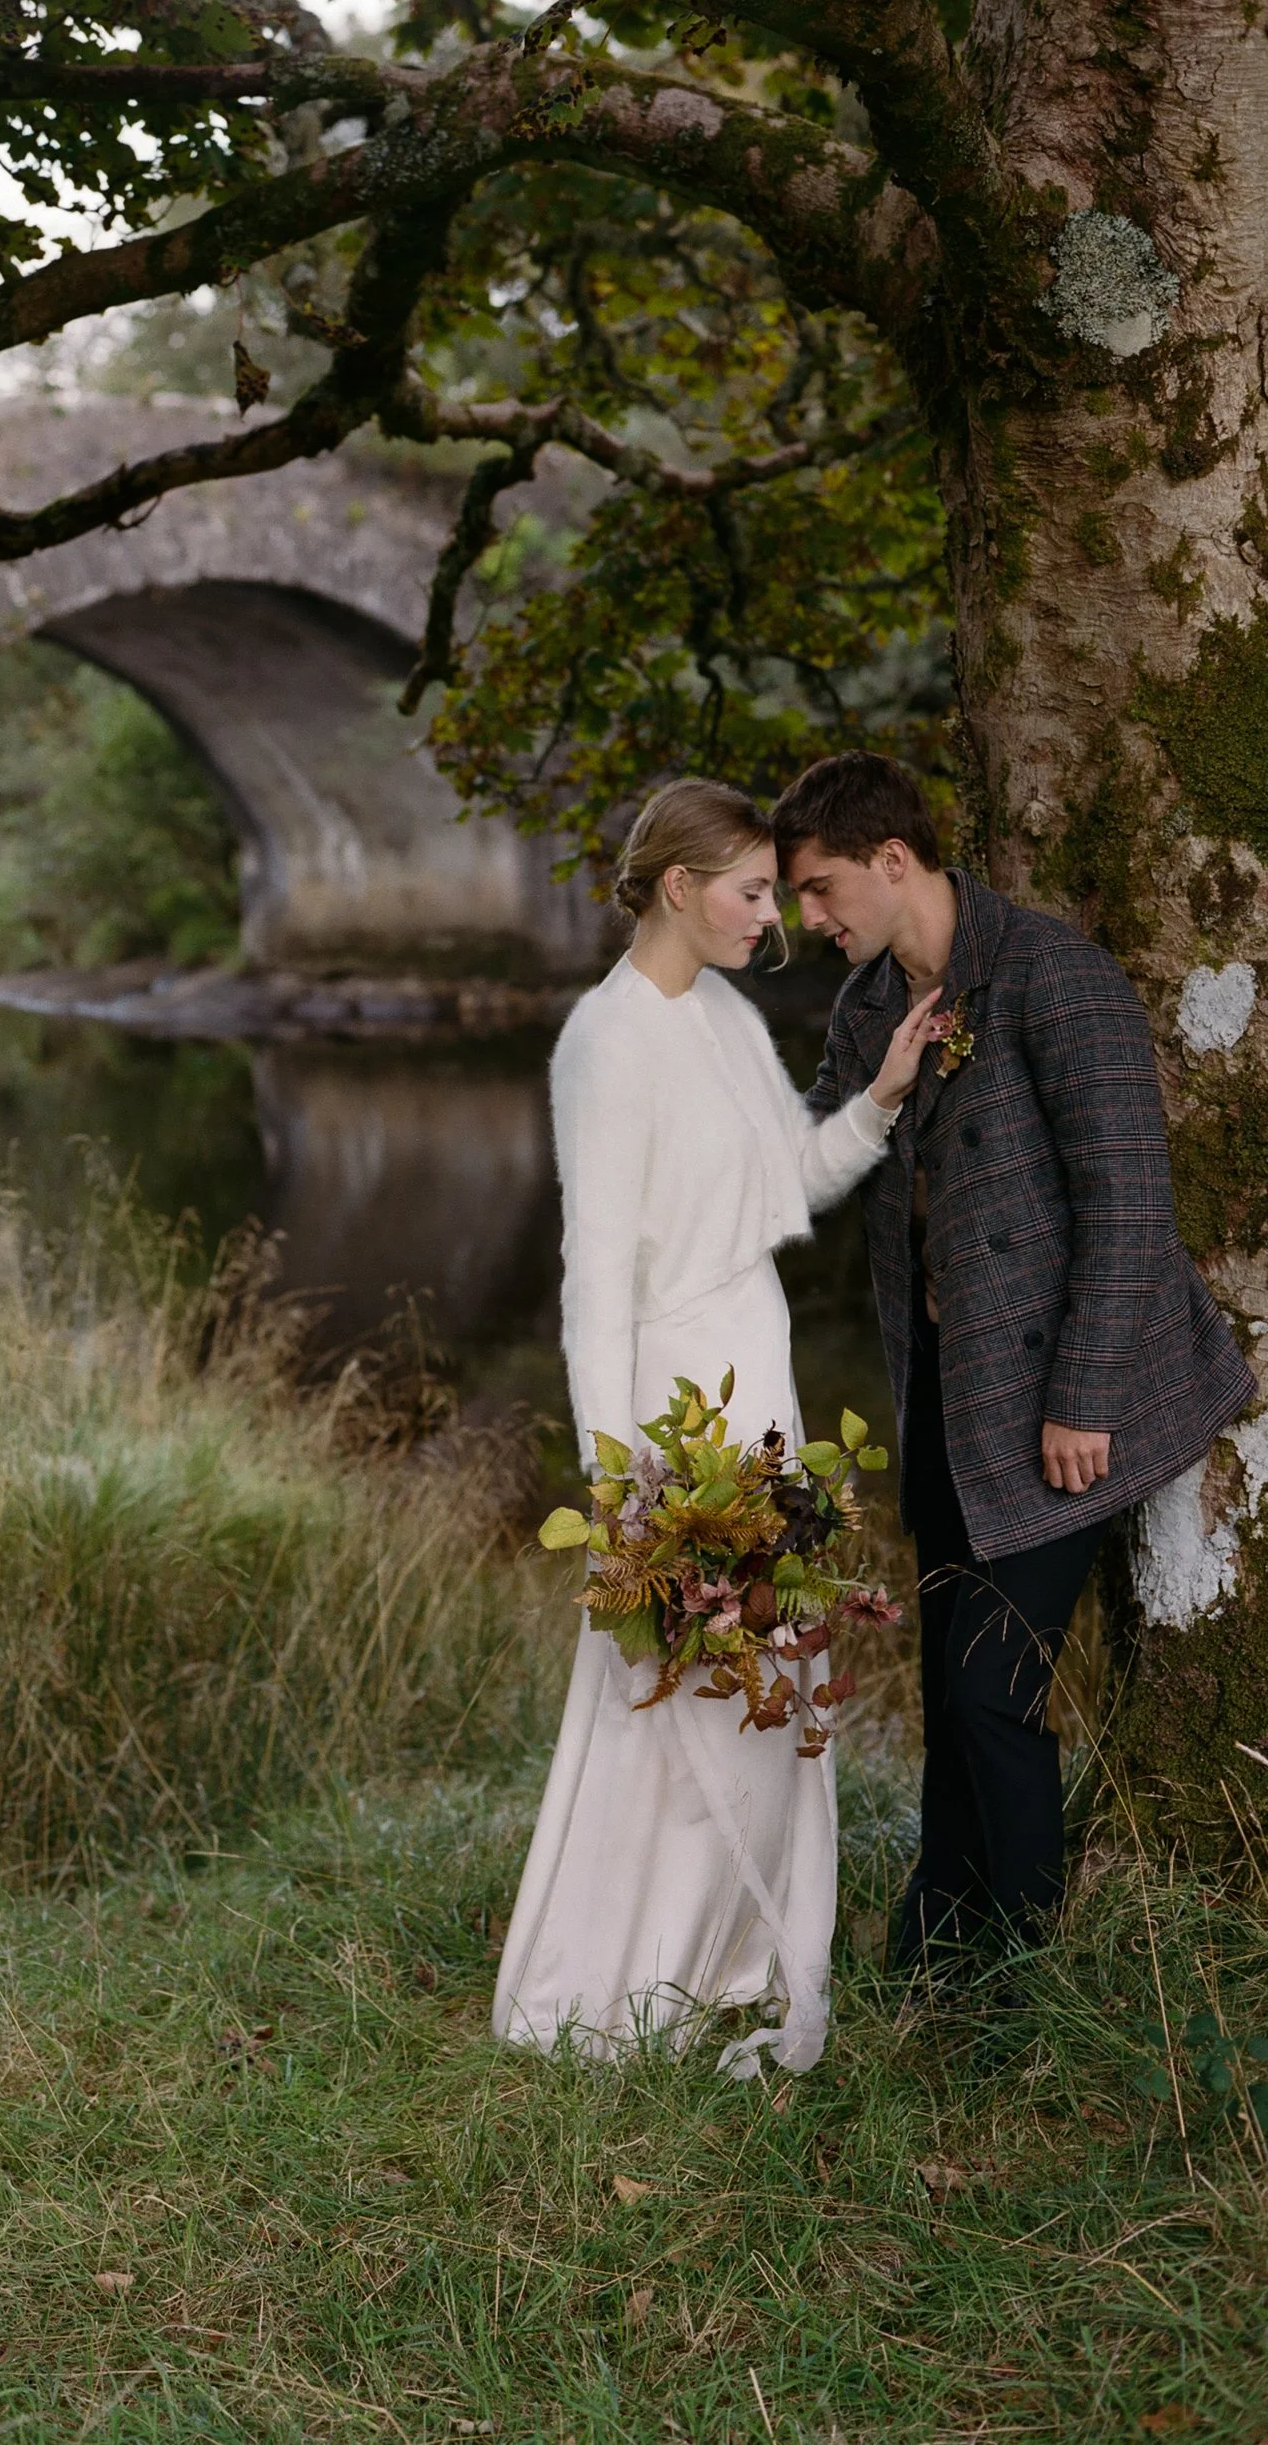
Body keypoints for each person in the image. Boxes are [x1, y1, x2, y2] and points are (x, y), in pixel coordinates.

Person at [773, 750, 1257, 1973]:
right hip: (947, 1392)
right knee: (951, 1682)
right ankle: (938, 1942)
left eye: (822, 889)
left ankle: (1022, 1970)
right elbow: (814, 1149)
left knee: (991, 1690)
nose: (811, 918)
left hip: (1067, 1401)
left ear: (894, 860)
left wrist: (1082, 1393)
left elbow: (1126, 1203)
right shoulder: (871, 1005)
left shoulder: (1054, 976)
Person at [493, 780, 939, 2076]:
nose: (770, 916)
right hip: (671, 1405)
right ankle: (637, 1971)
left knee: (764, 1678)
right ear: (677, 889)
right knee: (680, 1688)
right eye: (750, 892)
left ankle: (738, 1952)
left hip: (756, 1382)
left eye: (776, 892)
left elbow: (785, 1186)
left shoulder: (730, 1023)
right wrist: (616, 1476)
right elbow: (592, 1281)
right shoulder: (604, 1041)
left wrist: (883, 1095)